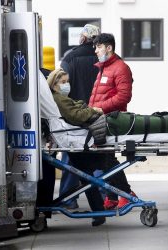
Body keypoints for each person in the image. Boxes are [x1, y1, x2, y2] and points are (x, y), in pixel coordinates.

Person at [47, 68, 106, 227]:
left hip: (74, 139)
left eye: (68, 81)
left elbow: (75, 111)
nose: (67, 85)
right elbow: (76, 116)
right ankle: (98, 210)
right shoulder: (60, 99)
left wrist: (83, 106)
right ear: (54, 84)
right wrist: (92, 110)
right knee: (88, 175)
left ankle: (98, 210)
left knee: (86, 176)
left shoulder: (58, 98)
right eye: (63, 82)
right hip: (76, 140)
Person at [89, 33, 136, 209]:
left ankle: (126, 193)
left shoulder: (120, 67)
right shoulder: (104, 68)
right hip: (100, 119)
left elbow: (124, 96)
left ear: (109, 48)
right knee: (104, 159)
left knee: (108, 159)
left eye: (98, 47)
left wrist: (101, 108)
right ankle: (113, 196)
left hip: (112, 119)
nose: (95, 50)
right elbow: (98, 95)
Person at [58, 24, 100, 209]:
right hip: (100, 114)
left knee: (71, 156)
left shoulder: (70, 57)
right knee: (101, 154)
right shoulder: (104, 57)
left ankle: (68, 199)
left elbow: (61, 87)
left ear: (82, 38)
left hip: (74, 115)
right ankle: (105, 195)